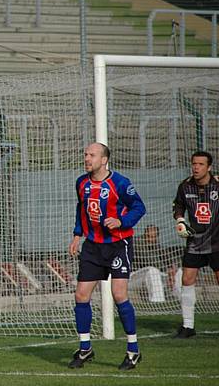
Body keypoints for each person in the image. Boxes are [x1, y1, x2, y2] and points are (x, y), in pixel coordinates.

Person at [68, 142, 146, 370]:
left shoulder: (120, 183)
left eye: (92, 155)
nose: (87, 158)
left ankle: (133, 350)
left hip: (117, 244)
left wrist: (121, 221)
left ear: (104, 160)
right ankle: (85, 348)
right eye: (85, 154)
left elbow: (139, 207)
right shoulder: (81, 182)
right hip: (93, 246)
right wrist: (77, 234)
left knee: (118, 293)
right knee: (81, 295)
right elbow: (81, 208)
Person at [172, 151, 219, 338]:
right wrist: (180, 220)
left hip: (217, 242)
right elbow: (178, 206)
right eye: (194, 163)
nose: (196, 167)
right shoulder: (185, 186)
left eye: (201, 164)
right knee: (187, 280)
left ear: (209, 167)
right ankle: (188, 326)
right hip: (194, 242)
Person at [132, 225, 167, 303]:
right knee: (152, 270)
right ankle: (157, 301)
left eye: (154, 237)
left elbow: (165, 258)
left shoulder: (156, 245)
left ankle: (179, 297)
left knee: (178, 272)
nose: (151, 239)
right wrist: (164, 268)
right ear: (145, 234)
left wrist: (171, 268)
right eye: (148, 236)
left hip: (147, 276)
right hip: (133, 277)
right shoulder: (137, 243)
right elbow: (147, 260)